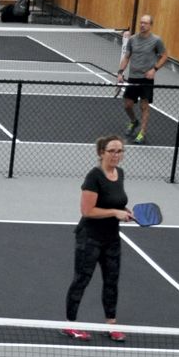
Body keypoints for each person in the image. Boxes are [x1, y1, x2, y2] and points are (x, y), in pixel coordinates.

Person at [63, 136, 134, 343]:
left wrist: (123, 212)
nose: (116, 155)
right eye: (112, 151)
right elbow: (87, 211)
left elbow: (116, 202)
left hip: (112, 239)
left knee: (111, 282)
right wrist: (114, 212)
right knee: (81, 280)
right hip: (90, 239)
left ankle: (111, 325)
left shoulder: (119, 173)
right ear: (101, 153)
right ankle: (70, 325)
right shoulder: (94, 177)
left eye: (120, 151)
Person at [115, 15, 167, 143]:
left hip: (146, 79)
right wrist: (120, 72)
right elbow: (127, 57)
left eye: (145, 23)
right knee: (127, 105)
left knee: (144, 106)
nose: (142, 25)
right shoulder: (132, 40)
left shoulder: (156, 41)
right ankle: (134, 121)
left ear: (150, 25)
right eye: (141, 23)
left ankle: (142, 133)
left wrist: (154, 69)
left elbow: (164, 56)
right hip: (133, 77)